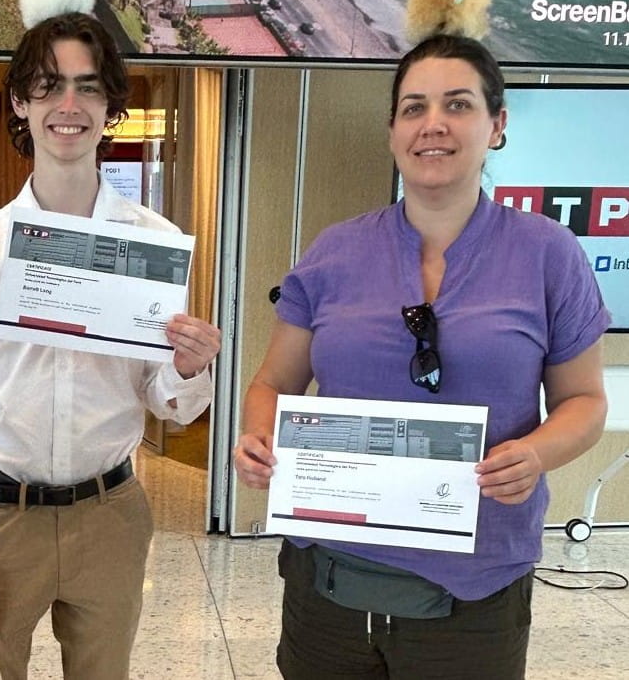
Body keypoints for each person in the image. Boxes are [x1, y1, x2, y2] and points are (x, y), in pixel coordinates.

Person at [234, 34, 609, 679]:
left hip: (475, 593)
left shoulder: (549, 255)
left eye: (457, 105)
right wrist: (259, 437)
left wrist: (537, 454)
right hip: (330, 587)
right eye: (413, 108)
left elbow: (585, 402)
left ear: (497, 125)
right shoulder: (334, 253)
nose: (432, 124)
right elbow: (273, 382)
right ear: (392, 130)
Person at [0, 12, 222, 680]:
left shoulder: (149, 245)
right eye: (48, 86)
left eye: (88, 88)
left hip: (110, 514)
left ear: (109, 105)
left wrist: (185, 367)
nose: (68, 105)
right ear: (19, 103)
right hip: (3, 517)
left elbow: (169, 405)